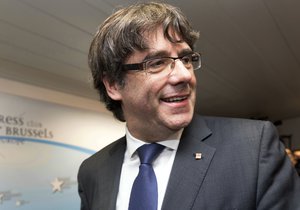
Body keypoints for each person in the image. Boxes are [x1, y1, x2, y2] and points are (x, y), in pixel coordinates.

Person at [77, 2, 300, 210]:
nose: (184, 75)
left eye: (186, 59)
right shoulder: (92, 171)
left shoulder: (253, 147)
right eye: (157, 63)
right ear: (114, 84)